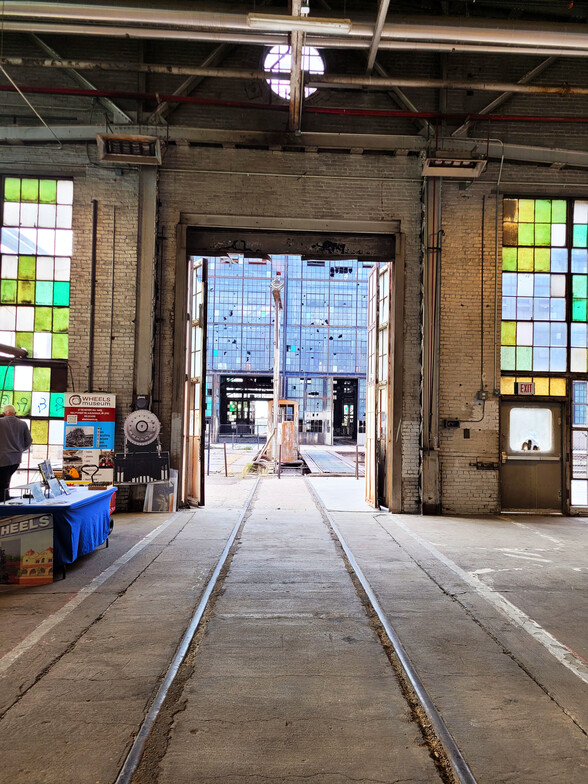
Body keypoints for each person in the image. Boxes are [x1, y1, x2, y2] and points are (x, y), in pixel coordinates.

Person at [0, 404, 33, 501]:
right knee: (6, 481)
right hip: (15, 460)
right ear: (15, 413)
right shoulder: (23, 424)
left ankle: (3, 505)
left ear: (3, 413)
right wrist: (20, 450)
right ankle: (6, 499)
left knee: (2, 483)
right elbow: (29, 441)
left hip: (1, 459)